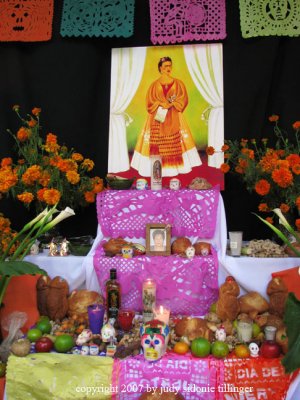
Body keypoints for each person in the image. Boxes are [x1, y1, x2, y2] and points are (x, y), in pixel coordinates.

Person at [131, 56, 201, 177]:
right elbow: (149, 102)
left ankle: (175, 168)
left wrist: (172, 103)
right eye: (165, 66)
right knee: (155, 142)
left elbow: (183, 99)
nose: (168, 68)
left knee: (177, 140)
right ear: (160, 68)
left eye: (170, 66)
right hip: (157, 118)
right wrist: (160, 103)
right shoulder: (154, 85)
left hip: (174, 116)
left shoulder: (178, 83)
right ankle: (156, 168)